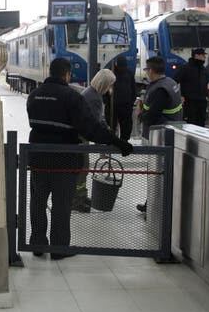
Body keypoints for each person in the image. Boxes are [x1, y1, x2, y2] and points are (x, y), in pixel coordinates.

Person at [27, 58, 133, 260]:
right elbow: (92, 129)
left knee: (38, 202)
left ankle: (37, 244)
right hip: (65, 160)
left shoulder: (34, 95)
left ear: (50, 71)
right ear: (66, 74)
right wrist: (119, 143)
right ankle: (59, 249)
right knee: (61, 205)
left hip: (38, 158)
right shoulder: (71, 97)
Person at [137, 56, 183, 213]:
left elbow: (152, 114)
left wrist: (140, 114)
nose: (146, 73)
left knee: (157, 171)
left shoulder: (160, 90)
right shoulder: (170, 83)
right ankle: (151, 203)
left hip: (161, 135)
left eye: (146, 70)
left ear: (151, 70)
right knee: (159, 172)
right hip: (171, 132)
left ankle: (153, 206)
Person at [73, 69, 117, 212]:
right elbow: (96, 124)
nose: (110, 88)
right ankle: (77, 200)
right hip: (79, 138)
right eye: (110, 84)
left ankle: (81, 196)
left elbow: (99, 120)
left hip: (80, 136)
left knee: (83, 168)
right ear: (104, 84)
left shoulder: (91, 93)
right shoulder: (94, 98)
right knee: (82, 168)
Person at [173, 48, 208, 127]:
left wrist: (206, 95)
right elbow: (174, 81)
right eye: (203, 55)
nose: (204, 58)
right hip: (189, 101)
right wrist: (179, 96)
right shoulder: (185, 68)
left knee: (201, 123)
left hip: (202, 101)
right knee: (190, 122)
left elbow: (205, 83)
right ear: (196, 56)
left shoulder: (203, 69)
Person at [112, 56, 137, 141]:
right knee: (112, 125)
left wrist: (131, 101)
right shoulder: (112, 73)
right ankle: (113, 141)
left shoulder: (129, 73)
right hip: (113, 106)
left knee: (126, 126)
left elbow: (133, 88)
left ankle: (124, 141)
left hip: (125, 105)